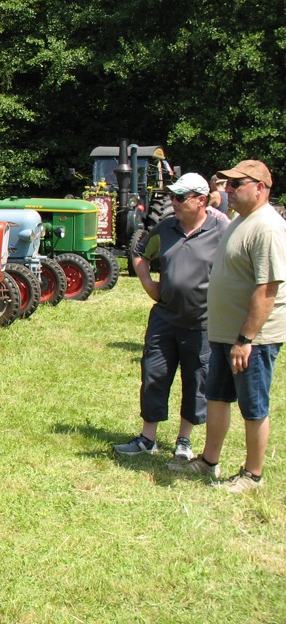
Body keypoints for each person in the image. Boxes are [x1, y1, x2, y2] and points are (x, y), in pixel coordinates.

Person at [169, 160, 286, 492]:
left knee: (253, 405)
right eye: (228, 184)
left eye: (238, 185)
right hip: (224, 333)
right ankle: (209, 462)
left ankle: (253, 475)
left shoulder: (267, 226)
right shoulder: (241, 221)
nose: (229, 190)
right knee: (218, 397)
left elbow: (268, 288)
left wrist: (246, 338)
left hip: (251, 339)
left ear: (260, 187)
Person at [115, 173, 228, 459]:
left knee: (196, 380)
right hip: (165, 318)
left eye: (180, 197)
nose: (173, 202)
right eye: (172, 197)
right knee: (154, 374)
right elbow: (139, 252)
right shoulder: (166, 228)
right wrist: (148, 283)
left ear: (201, 200)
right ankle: (147, 439)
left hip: (202, 322)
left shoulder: (222, 231)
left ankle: (184, 441)